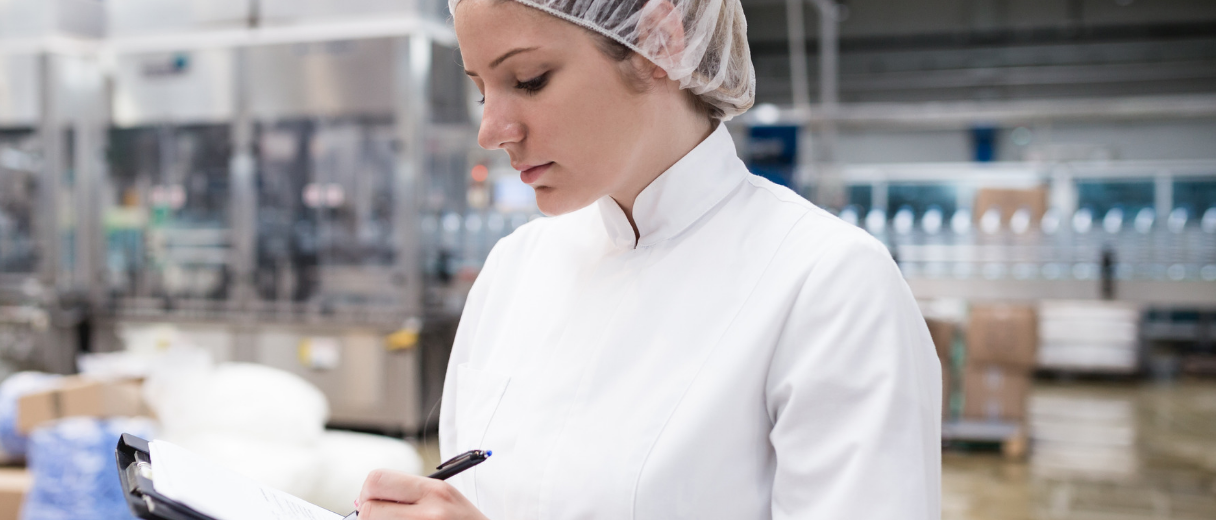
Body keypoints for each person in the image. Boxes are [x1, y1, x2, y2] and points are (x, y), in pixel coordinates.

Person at [356, 1, 941, 519]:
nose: (491, 130)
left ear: (659, 41)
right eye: (482, 90)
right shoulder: (514, 269)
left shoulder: (827, 284)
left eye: (529, 80)